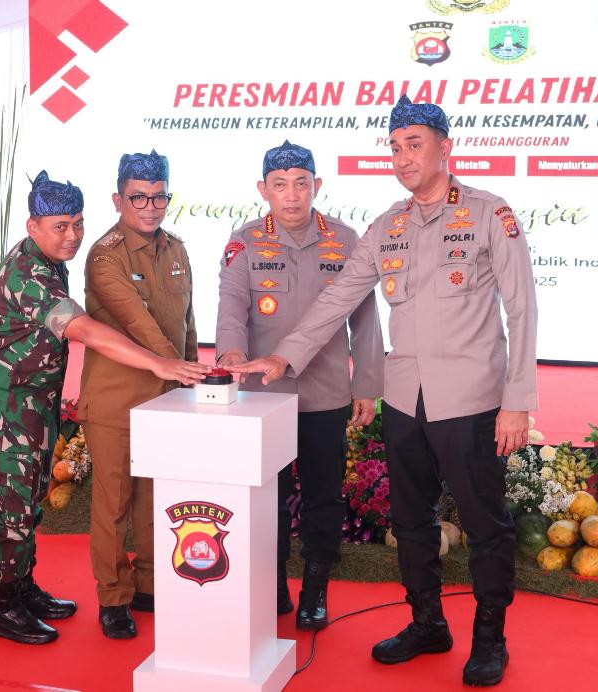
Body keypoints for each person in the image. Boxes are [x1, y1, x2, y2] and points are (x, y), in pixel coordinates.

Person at [230, 96, 538, 686]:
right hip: (404, 400)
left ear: (445, 148)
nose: (402, 158)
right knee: (410, 519)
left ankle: (490, 639)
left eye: (414, 145)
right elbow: (337, 300)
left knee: (485, 524)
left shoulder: (488, 214)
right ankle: (427, 623)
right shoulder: (386, 226)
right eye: (395, 148)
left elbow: (522, 310)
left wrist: (517, 401)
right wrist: (284, 356)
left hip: (471, 400)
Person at [0, 171, 207, 645]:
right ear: (33, 226)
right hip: (4, 408)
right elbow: (85, 330)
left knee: (29, 500)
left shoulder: (48, 259)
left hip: (32, 403)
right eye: (60, 226)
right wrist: (160, 363)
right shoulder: (28, 275)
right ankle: (2, 607)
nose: (72, 235)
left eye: (77, 223)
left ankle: (23, 588)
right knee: (10, 508)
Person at [216, 140, 383, 630]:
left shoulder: (346, 240)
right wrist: (230, 355)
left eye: (301, 184)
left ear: (317, 186)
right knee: (266, 498)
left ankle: (315, 589)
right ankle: (270, 588)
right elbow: (231, 307)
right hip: (262, 397)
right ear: (263, 189)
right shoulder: (244, 241)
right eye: (280, 185)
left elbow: (366, 321)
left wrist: (366, 384)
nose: (291, 195)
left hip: (324, 393)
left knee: (323, 497)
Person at [77, 150, 199, 639]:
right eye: (138, 198)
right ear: (118, 199)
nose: (150, 207)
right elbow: (140, 325)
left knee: (154, 499)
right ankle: (113, 597)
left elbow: (188, 324)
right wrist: (181, 369)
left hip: (165, 399)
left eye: (159, 197)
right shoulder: (104, 256)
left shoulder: (177, 249)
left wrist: (193, 382)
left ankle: (149, 585)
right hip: (115, 401)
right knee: (114, 505)